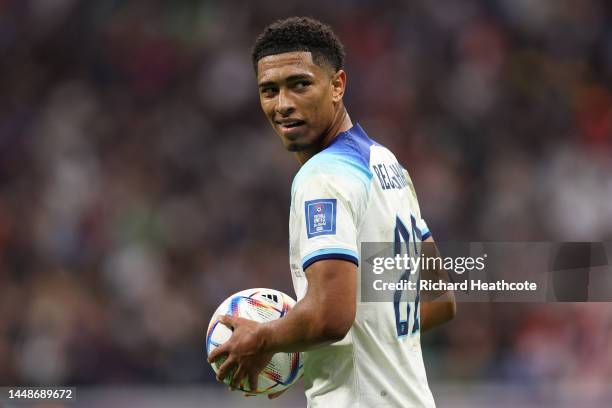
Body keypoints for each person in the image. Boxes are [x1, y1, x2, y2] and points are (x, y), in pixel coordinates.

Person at [208, 16, 455, 407]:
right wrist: (306, 342)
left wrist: (265, 338)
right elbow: (440, 299)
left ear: (337, 85)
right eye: (269, 90)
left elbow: (330, 316)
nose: (283, 104)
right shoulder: (385, 163)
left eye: (299, 84)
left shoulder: (322, 177)